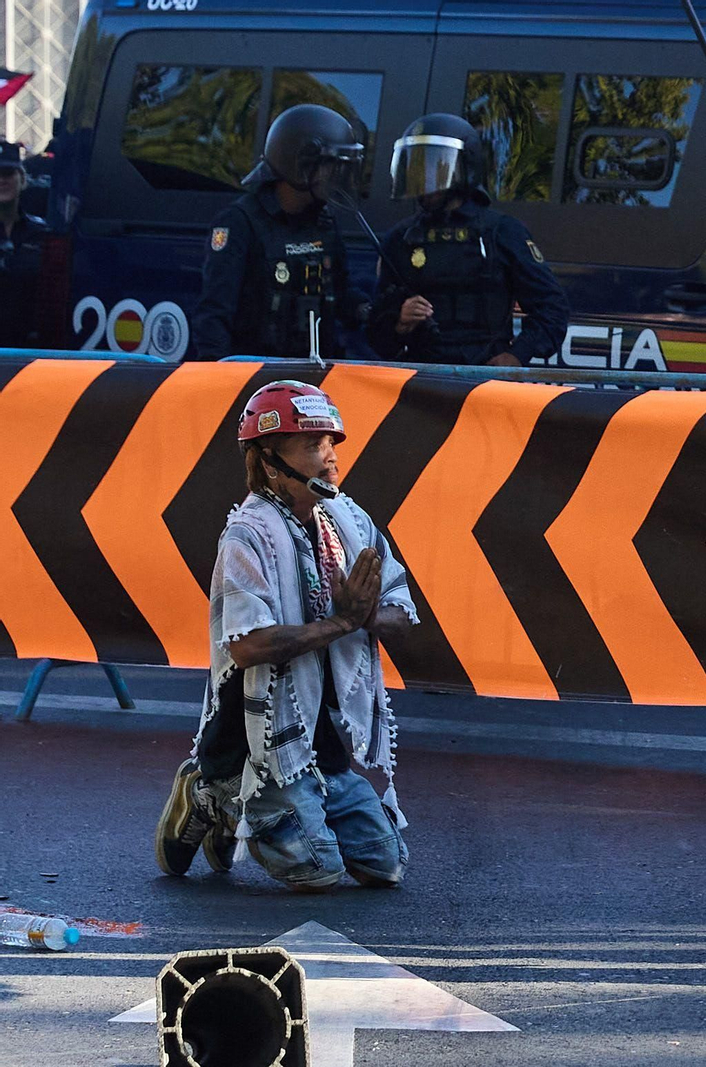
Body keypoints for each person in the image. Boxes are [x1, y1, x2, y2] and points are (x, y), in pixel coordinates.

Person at [156, 380, 418, 890]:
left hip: (322, 748)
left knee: (385, 866)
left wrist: (362, 616)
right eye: (311, 445)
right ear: (270, 461)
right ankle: (216, 792)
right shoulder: (247, 534)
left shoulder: (351, 522)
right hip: (259, 748)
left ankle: (263, 806)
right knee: (316, 871)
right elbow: (247, 646)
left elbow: (402, 616)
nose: (329, 457)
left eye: (331, 443)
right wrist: (338, 623)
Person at [367, 113, 569, 367]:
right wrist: (399, 322)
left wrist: (517, 355)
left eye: (435, 170)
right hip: (421, 378)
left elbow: (552, 307)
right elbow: (376, 334)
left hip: (485, 377)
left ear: (465, 167)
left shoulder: (501, 232)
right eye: (417, 171)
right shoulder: (401, 239)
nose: (425, 183)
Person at [191, 105, 367, 361]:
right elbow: (214, 315)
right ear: (301, 165)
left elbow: (340, 293)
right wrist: (222, 383)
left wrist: (368, 310)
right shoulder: (240, 223)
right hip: (256, 380)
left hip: (314, 382)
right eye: (330, 166)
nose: (336, 176)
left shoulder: (324, 222)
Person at [0, 141, 46, 349]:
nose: (2, 180)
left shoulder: (40, 233)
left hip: (28, 347)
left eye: (8, 173)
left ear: (22, 179)